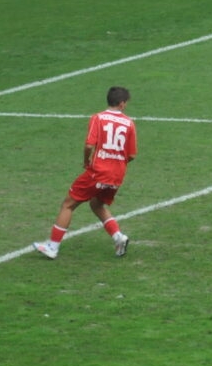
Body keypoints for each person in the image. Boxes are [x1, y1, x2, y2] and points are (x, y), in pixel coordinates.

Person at [33, 86, 137, 259]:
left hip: (98, 171)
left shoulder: (98, 118)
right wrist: (116, 162)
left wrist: (86, 161)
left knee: (68, 204)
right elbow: (132, 154)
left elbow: (89, 145)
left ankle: (53, 246)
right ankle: (119, 237)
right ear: (122, 103)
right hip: (117, 175)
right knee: (97, 204)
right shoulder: (129, 123)